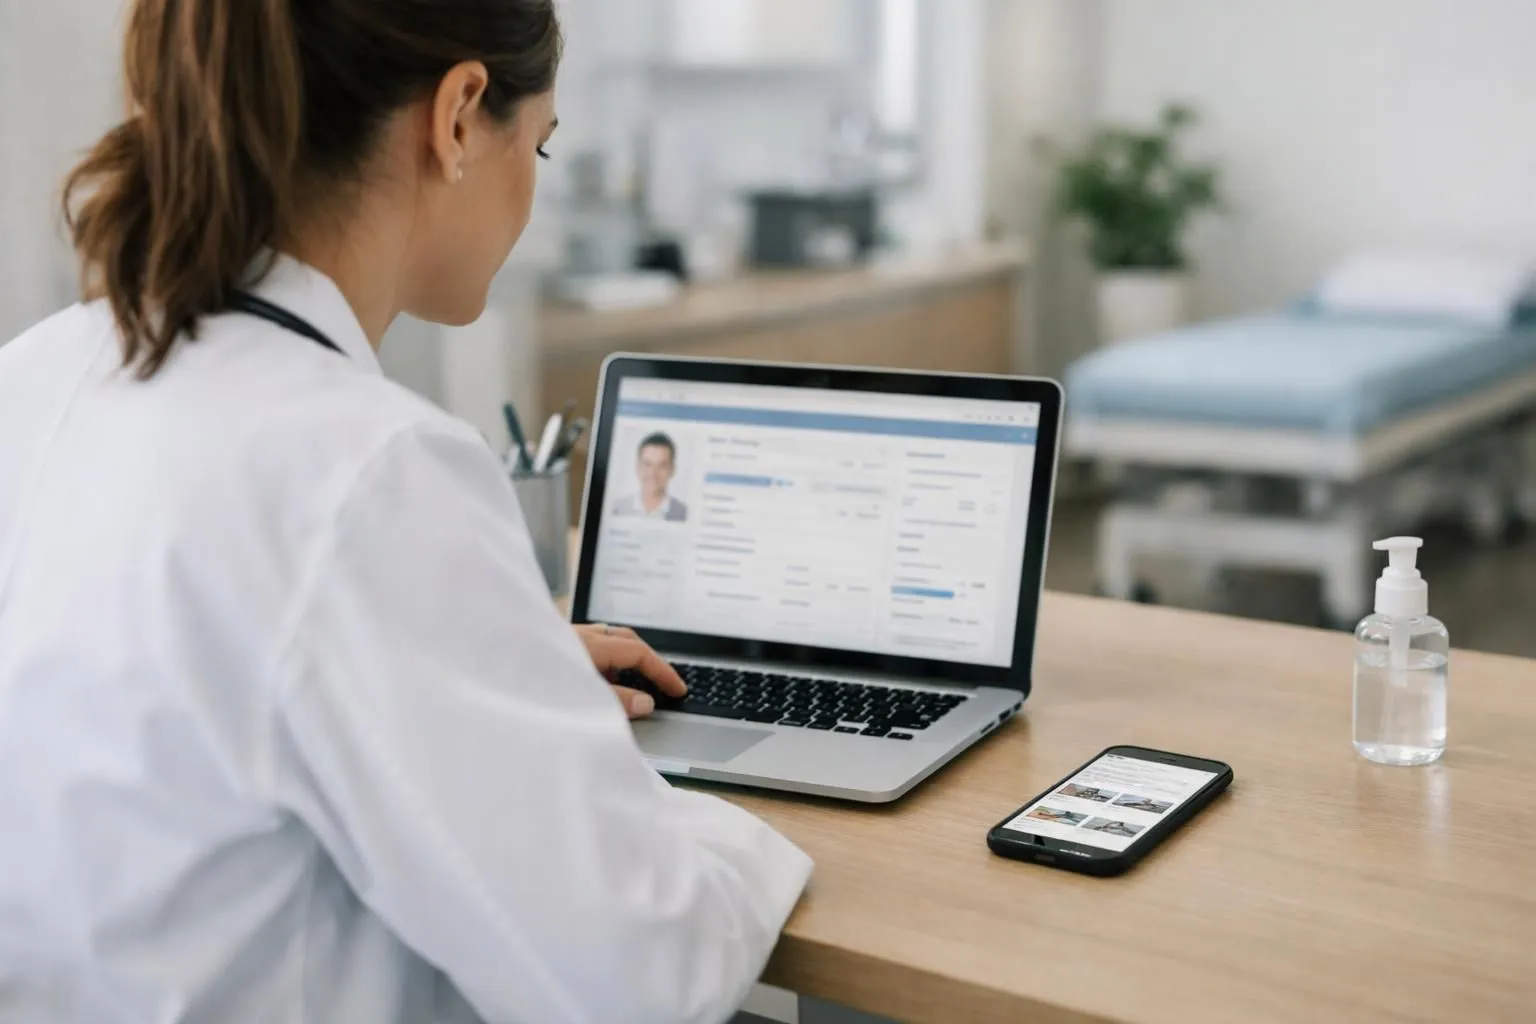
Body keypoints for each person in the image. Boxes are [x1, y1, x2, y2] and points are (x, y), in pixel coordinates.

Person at [0, 2, 811, 1022]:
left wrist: (494, 670)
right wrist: (722, 816)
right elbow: (643, 976)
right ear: (461, 114)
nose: (533, 189)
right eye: (543, 147)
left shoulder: (32, 377)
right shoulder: (366, 468)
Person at [612, 432, 689, 522]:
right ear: (638, 467)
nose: (653, 473)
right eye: (647, 464)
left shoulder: (683, 514)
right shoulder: (618, 509)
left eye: (662, 466)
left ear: (672, 470)